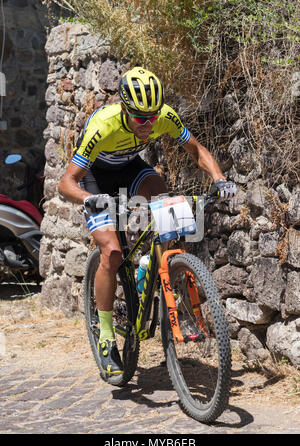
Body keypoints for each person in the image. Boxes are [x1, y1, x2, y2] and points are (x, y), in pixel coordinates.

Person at [58, 66, 237, 376]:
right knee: (112, 252)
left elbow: (196, 150)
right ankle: (105, 336)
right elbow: (66, 182)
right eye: (140, 118)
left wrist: (219, 178)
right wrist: (89, 200)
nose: (148, 124)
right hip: (95, 180)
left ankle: (150, 270)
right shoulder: (103, 125)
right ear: (125, 109)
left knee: (166, 201)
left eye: (152, 117)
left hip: (129, 169)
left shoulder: (163, 115)